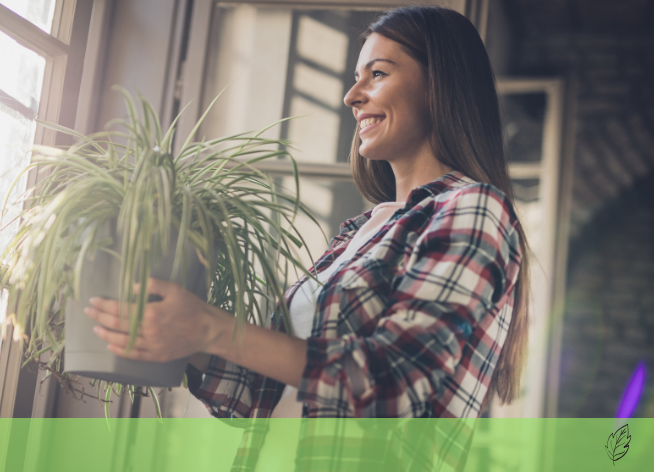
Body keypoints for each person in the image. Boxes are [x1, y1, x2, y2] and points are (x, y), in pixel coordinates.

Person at [85, 5, 531, 470]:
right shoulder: (362, 231)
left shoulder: (474, 209)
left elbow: (390, 386)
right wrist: (174, 328)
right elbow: (261, 393)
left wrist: (208, 327)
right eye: (357, 77)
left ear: (439, 84)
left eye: (376, 74)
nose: (351, 96)